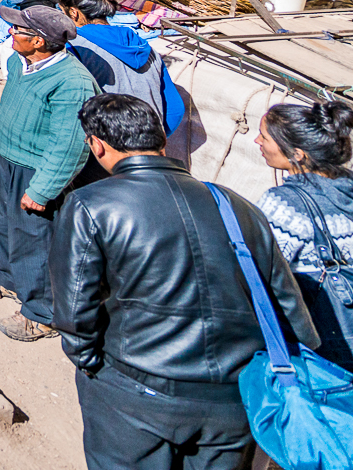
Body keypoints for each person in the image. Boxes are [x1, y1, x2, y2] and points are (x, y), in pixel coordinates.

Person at [53, 94, 317, 470]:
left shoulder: (91, 205)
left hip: (136, 390)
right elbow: (289, 309)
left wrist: (92, 364)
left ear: (96, 145)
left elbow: (74, 307)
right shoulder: (239, 206)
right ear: (162, 140)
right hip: (234, 400)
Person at [0, 1, 97, 341]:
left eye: (19, 30)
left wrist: (43, 189)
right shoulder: (18, 61)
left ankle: (43, 315)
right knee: (0, 224)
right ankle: (12, 280)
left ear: (40, 41)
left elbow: (70, 144)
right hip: (5, 157)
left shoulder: (73, 84)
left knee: (35, 241)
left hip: (35, 169)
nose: (11, 33)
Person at [255, 100, 353, 368]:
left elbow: (256, 273)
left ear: (297, 154)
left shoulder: (285, 205)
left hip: (319, 354)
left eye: (264, 136)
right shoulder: (348, 190)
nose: (257, 141)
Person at [56, 0, 187, 148]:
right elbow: (175, 109)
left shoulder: (74, 47)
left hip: (104, 148)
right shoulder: (145, 47)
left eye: (61, 10)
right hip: (148, 146)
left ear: (73, 12)